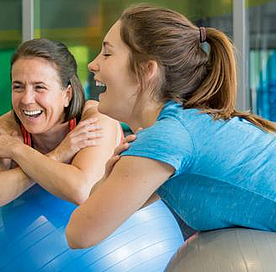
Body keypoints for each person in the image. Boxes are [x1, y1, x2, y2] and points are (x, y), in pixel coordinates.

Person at [67, 4, 276, 249]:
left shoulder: (167, 138)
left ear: (147, 70)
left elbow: (79, 233)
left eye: (107, 54)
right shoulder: (184, 127)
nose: (92, 64)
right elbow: (103, 209)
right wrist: (109, 177)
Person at [0, 38, 121, 213]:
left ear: (67, 94)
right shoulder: (8, 127)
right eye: (18, 87)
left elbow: (81, 191)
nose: (26, 99)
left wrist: (17, 151)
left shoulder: (95, 119)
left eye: (39, 87)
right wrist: (58, 155)